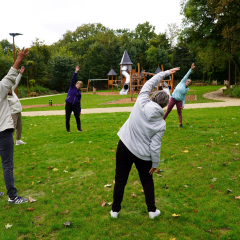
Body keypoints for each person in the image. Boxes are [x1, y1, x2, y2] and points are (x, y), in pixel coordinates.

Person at [110, 67, 180, 219]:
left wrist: (166, 72)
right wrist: (155, 164)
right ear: (164, 106)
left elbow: (150, 83)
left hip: (124, 146)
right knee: (147, 180)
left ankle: (115, 211)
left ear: (152, 96)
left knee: (120, 179)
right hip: (142, 155)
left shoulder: (141, 101)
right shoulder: (161, 124)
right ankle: (152, 211)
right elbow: (155, 146)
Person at [0, 48, 29, 203]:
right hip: (3, 132)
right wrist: (19, 58)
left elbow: (12, 78)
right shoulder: (0, 89)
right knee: (7, 165)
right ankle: (13, 197)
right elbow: (11, 75)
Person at [7, 66, 26, 145]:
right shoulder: (5, 96)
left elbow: (16, 82)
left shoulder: (13, 91)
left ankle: (18, 140)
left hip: (18, 111)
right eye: (9, 88)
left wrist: (20, 74)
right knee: (12, 128)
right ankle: (9, 142)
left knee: (19, 127)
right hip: (12, 113)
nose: (11, 88)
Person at [65, 66, 83, 133]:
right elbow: (73, 79)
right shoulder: (72, 87)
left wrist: (79, 110)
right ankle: (68, 130)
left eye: (80, 85)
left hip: (75, 106)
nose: (78, 85)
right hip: (68, 105)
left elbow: (79, 102)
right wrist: (76, 72)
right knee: (67, 118)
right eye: (78, 84)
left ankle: (79, 129)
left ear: (80, 86)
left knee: (77, 118)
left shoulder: (79, 93)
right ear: (76, 84)